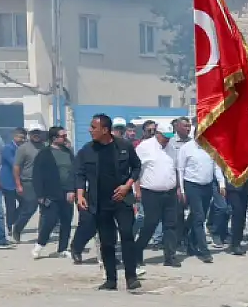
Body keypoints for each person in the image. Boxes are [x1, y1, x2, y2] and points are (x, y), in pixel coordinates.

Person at [75, 113, 142, 291]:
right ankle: (111, 280)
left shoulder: (124, 146)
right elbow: (80, 174)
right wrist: (80, 195)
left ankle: (131, 277)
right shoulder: (87, 150)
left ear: (105, 130)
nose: (90, 130)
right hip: (100, 202)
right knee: (107, 241)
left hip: (122, 200)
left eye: (93, 128)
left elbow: (136, 167)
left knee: (127, 235)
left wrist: (127, 186)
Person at [133, 123, 182, 267]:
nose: (167, 140)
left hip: (170, 192)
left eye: (169, 137)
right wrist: (137, 189)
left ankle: (170, 256)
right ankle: (137, 251)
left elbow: (175, 169)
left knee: (171, 225)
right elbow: (136, 169)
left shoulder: (172, 148)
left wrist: (178, 187)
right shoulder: (144, 147)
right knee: (150, 224)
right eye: (165, 137)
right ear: (157, 134)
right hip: (150, 192)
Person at [175, 124, 225, 263]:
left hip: (207, 186)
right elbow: (180, 169)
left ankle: (187, 236)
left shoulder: (211, 147)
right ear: (195, 134)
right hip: (192, 185)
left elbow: (216, 166)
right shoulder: (186, 148)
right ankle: (204, 251)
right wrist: (182, 190)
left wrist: (221, 184)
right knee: (199, 217)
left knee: (197, 216)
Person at [32, 126, 76, 259]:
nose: (65, 138)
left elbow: (74, 172)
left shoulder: (68, 152)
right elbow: (37, 175)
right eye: (62, 136)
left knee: (66, 221)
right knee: (49, 221)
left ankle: (62, 249)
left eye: (65, 135)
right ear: (54, 138)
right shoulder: (44, 154)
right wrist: (40, 195)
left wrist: (72, 189)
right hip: (51, 193)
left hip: (67, 193)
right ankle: (39, 245)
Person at [12, 125, 45, 242]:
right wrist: (18, 184)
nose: (36, 135)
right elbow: (16, 167)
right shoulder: (23, 148)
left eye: (38, 132)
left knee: (46, 209)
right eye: (33, 132)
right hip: (28, 182)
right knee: (30, 208)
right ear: (29, 134)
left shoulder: (45, 147)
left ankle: (42, 234)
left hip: (44, 182)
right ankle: (17, 228)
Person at [0, 125, 24, 231]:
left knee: (25, 203)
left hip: (19, 181)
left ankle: (14, 220)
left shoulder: (22, 148)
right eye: (20, 137)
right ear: (14, 136)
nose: (22, 139)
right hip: (8, 181)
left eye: (24, 137)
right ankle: (10, 226)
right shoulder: (8, 148)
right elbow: (14, 163)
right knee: (10, 206)